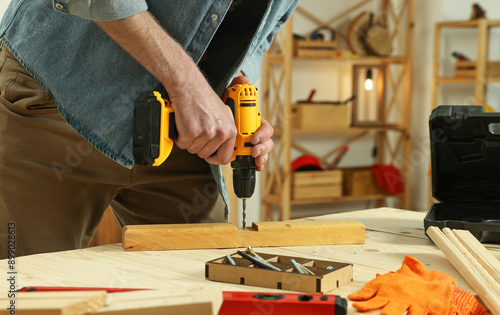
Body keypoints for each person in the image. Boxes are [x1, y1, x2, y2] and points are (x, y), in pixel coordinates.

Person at [0, 0, 298, 259]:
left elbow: (269, 23)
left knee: (199, 287)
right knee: (25, 299)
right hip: (61, 98)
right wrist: (188, 84)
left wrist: (237, 79)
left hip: (179, 131)